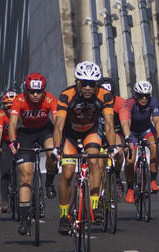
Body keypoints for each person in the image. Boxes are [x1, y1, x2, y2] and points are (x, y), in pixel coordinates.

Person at [54, 61, 117, 234]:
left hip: (91, 130)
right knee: (67, 172)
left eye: (92, 84)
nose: (88, 88)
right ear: (77, 83)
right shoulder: (67, 95)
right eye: (84, 83)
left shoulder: (105, 96)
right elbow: (58, 125)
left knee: (95, 162)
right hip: (70, 134)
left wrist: (112, 147)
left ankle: (95, 206)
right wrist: (56, 149)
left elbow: (110, 125)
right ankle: (64, 215)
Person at [8, 73, 59, 235]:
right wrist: (12, 141)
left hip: (45, 130)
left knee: (53, 152)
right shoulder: (19, 100)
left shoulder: (50, 99)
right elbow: (13, 123)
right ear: (26, 90)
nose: (36, 95)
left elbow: (58, 121)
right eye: (32, 92)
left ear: (44, 91)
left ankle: (49, 182)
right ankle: (24, 221)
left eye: (39, 92)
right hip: (26, 133)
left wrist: (60, 143)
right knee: (25, 176)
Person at [122, 80, 159, 203]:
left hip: (146, 129)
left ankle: (152, 180)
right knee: (130, 160)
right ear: (136, 95)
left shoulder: (153, 102)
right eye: (141, 96)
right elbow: (126, 122)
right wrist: (127, 138)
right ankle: (130, 188)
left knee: (154, 147)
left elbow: (156, 120)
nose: (144, 98)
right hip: (132, 132)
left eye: (147, 96)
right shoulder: (129, 103)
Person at [98, 77, 129, 197]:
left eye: (109, 96)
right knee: (98, 161)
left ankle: (116, 176)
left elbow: (125, 122)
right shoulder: (94, 102)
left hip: (115, 130)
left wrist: (127, 137)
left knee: (119, 151)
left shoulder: (120, 102)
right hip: (99, 131)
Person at [0, 91, 17, 213]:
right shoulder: (2, 114)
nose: (10, 109)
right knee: (5, 171)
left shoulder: (20, 114)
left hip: (19, 141)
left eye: (12, 106)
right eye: (7, 106)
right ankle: (4, 200)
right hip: (6, 143)